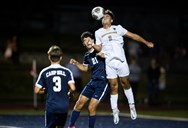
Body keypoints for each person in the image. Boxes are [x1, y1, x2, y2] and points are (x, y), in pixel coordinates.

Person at [92, 9, 154, 124]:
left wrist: (146, 42)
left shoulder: (118, 28)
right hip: (109, 63)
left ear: (111, 20)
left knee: (125, 83)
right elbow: (99, 48)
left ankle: (132, 106)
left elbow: (133, 36)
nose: (104, 18)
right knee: (113, 86)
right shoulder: (98, 32)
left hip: (121, 62)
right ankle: (115, 111)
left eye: (106, 16)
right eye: (102, 17)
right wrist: (94, 47)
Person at [68, 31, 109, 128]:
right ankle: (71, 126)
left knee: (91, 107)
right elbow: (85, 69)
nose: (88, 41)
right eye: (85, 40)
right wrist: (76, 63)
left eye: (90, 39)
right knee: (78, 104)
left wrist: (104, 55)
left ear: (93, 40)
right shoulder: (87, 55)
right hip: (93, 81)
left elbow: (109, 56)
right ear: (83, 44)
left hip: (102, 83)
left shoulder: (101, 50)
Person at [34, 45, 76, 128]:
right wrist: (70, 94)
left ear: (49, 57)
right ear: (61, 57)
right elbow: (73, 88)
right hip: (64, 106)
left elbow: (37, 90)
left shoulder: (44, 71)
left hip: (51, 106)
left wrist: (45, 91)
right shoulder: (67, 71)